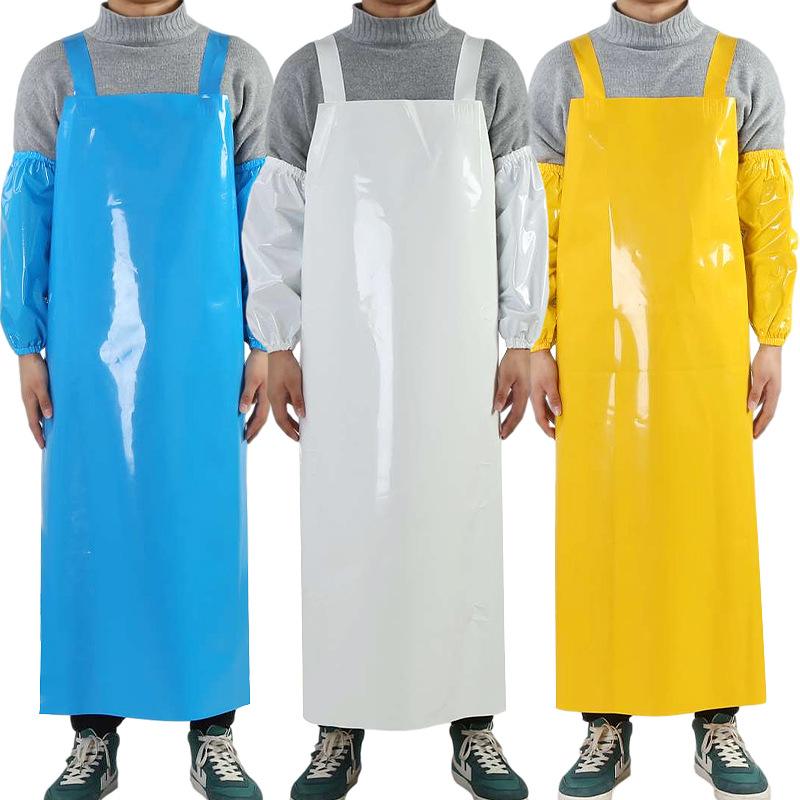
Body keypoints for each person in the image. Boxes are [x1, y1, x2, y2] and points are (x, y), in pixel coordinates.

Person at [241, 1, 548, 798]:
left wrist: (522, 336)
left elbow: (520, 213)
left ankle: (471, 723)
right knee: (347, 528)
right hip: (344, 363)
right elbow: (275, 218)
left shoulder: (488, 71)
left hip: (458, 359)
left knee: (459, 521)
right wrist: (276, 343)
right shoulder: (309, 74)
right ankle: (339, 723)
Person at [0, 2, 273, 798]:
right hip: (86, 355)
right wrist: (26, 346)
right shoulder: (55, 72)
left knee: (202, 526)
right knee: (93, 523)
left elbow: (265, 216)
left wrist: (268, 337)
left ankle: (212, 730)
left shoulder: (236, 68)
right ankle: (93, 734)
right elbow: (27, 211)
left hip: (204, 354)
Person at [528, 1, 796, 799]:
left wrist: (772, 337)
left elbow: (769, 218)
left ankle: (717, 718)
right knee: (602, 529)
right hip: (596, 355)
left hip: (707, 353)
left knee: (709, 524)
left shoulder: (741, 68)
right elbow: (542, 221)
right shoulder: (565, 72)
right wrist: (536, 341)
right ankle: (604, 724)